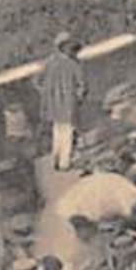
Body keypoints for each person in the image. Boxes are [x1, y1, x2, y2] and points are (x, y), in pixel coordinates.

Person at [39, 32, 88, 172]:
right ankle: (64, 163)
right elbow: (82, 84)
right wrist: (79, 97)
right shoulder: (73, 64)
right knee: (67, 131)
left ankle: (56, 158)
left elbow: (37, 81)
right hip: (68, 103)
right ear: (64, 47)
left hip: (53, 104)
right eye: (70, 47)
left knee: (58, 130)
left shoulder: (49, 63)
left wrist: (47, 94)